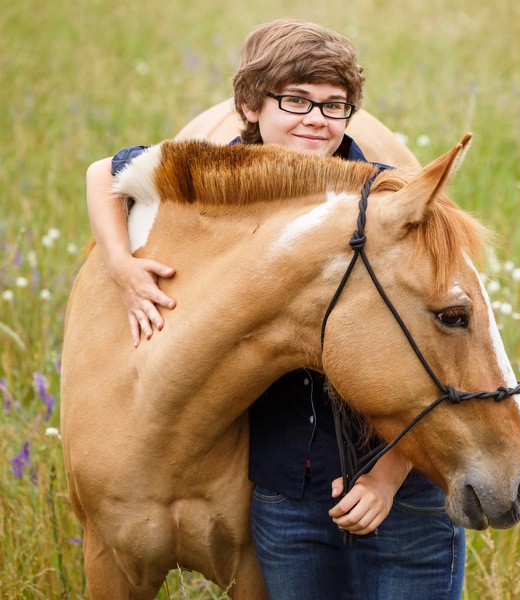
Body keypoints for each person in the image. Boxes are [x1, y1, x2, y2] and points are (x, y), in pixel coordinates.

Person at [85, 19, 465, 599]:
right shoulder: (219, 176)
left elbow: (440, 345)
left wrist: (390, 474)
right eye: (296, 101)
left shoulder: (382, 196)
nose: (316, 119)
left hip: (375, 464)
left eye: (335, 107)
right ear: (249, 105)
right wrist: (120, 263)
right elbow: (104, 172)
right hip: (289, 479)